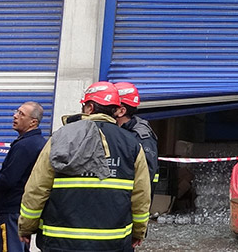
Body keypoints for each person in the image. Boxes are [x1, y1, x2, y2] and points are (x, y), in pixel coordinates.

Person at [18, 82, 151, 251]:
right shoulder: (131, 144)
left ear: (89, 107)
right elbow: (141, 196)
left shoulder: (61, 137)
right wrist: (138, 232)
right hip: (112, 243)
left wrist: (27, 226)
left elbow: (37, 187)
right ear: (116, 110)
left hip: (60, 242)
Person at [0, 101, 46, 252]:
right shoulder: (38, 142)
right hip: (21, 208)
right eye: (17, 112)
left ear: (33, 122)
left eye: (21, 114)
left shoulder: (25, 146)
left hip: (12, 210)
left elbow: (8, 180)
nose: (15, 116)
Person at [114, 82, 160, 188]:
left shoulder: (142, 137)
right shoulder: (114, 131)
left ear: (121, 110)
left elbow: (145, 180)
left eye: (110, 106)